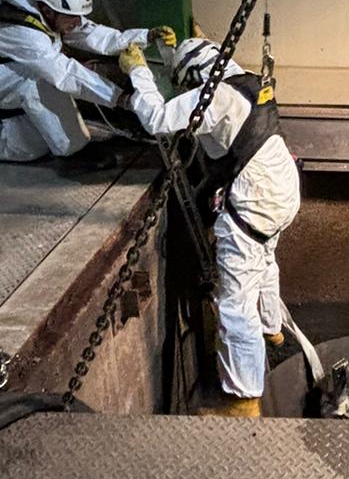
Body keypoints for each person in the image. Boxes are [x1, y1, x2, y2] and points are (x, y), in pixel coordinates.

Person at [118, 33, 300, 417]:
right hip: (283, 191)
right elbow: (194, 81)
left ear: (195, 77)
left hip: (255, 204)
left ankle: (243, 399)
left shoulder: (214, 94)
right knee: (265, 260)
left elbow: (159, 118)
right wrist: (168, 52)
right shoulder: (244, 81)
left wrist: (138, 72)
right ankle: (272, 328)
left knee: (235, 304)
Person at [0, 0, 176, 163]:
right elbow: (64, 74)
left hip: (3, 73)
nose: (78, 22)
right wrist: (121, 99)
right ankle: (75, 152)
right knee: (40, 78)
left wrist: (145, 36)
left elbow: (90, 34)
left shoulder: (47, 13)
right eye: (72, 17)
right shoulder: (26, 34)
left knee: (31, 147)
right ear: (47, 10)